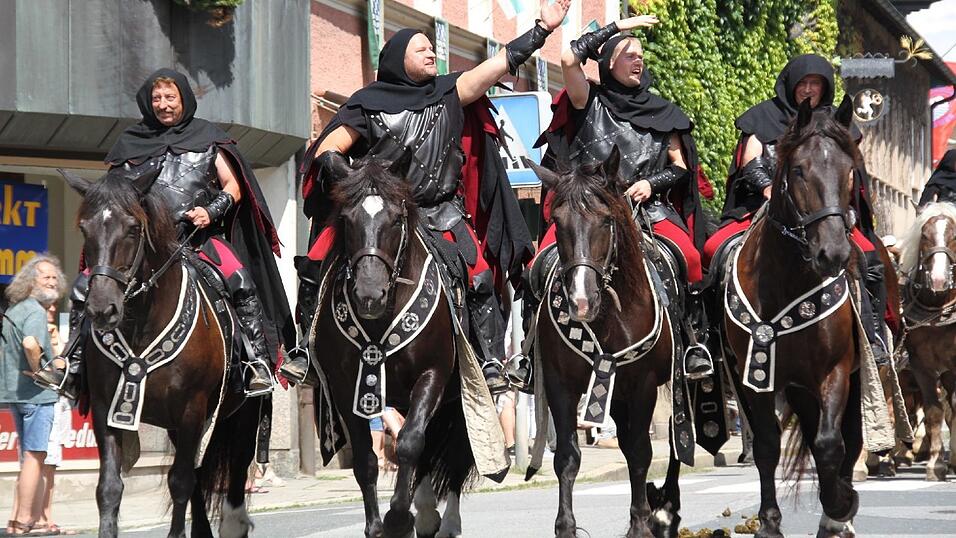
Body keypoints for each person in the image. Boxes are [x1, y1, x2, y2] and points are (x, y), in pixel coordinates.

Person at [282, 1, 570, 391]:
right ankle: (307, 349)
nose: (432, 53)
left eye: (432, 47)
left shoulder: (450, 91)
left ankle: (489, 360)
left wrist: (542, 29)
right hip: (381, 213)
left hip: (440, 212)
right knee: (316, 263)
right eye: (421, 49)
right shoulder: (366, 104)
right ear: (398, 59)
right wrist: (351, 180)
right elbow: (328, 149)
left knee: (479, 276)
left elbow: (500, 63)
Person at [34, 69, 295, 397]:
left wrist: (211, 211)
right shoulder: (130, 143)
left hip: (197, 239)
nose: (163, 104)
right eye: (156, 98)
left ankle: (254, 362)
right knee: (85, 284)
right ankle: (71, 363)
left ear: (184, 99)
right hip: (146, 243)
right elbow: (114, 193)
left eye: (170, 97)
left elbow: (233, 185)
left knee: (239, 279)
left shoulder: (208, 138)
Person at [533, 15, 713, 378]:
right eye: (630, 55)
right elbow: (568, 58)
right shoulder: (587, 100)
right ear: (609, 62)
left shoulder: (664, 112)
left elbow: (680, 166)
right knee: (538, 266)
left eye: (641, 56)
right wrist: (619, 26)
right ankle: (530, 348)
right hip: (587, 209)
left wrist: (651, 184)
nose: (638, 61)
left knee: (691, 259)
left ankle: (692, 341)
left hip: (647, 210)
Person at [703, 54, 891, 361]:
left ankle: (873, 335)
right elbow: (751, 161)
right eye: (802, 83)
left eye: (815, 83)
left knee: (870, 257)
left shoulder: (838, 123)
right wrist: (767, 188)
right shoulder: (763, 116)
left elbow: (849, 173)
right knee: (714, 250)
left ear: (825, 87)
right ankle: (711, 336)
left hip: (824, 212)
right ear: (790, 85)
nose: (808, 89)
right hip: (766, 206)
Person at [1, 255, 67, 536]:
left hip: (16, 393)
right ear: (30, 281)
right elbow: (30, 343)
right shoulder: (35, 312)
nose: (52, 281)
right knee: (35, 455)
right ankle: (25, 521)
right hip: (36, 395)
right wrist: (42, 369)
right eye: (45, 277)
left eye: (54, 277)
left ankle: (19, 521)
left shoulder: (15, 309)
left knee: (27, 457)